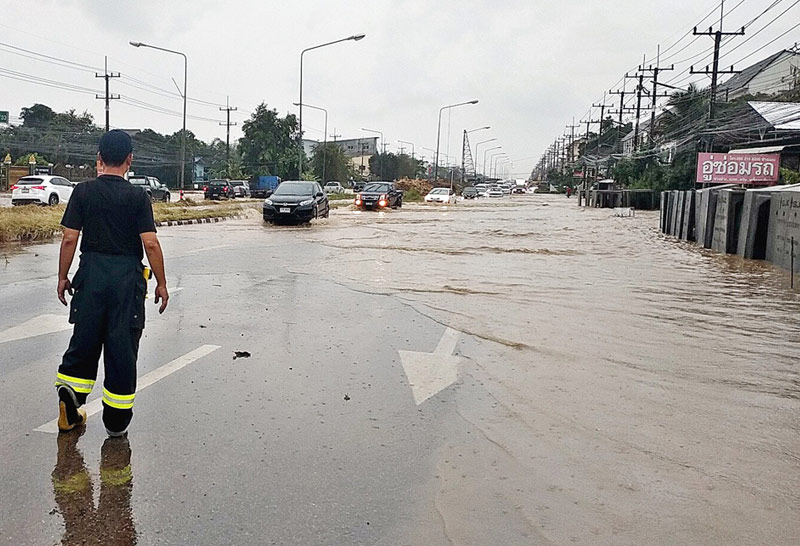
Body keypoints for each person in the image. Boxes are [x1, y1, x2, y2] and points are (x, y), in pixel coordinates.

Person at [54, 129, 169, 437]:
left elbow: (69, 238)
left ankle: (70, 394)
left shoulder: (83, 192)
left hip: (90, 275)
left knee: (84, 339)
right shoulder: (138, 197)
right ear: (130, 160)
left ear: (99, 158)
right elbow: (151, 243)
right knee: (122, 347)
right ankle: (116, 422)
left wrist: (63, 276)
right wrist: (161, 282)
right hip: (126, 281)